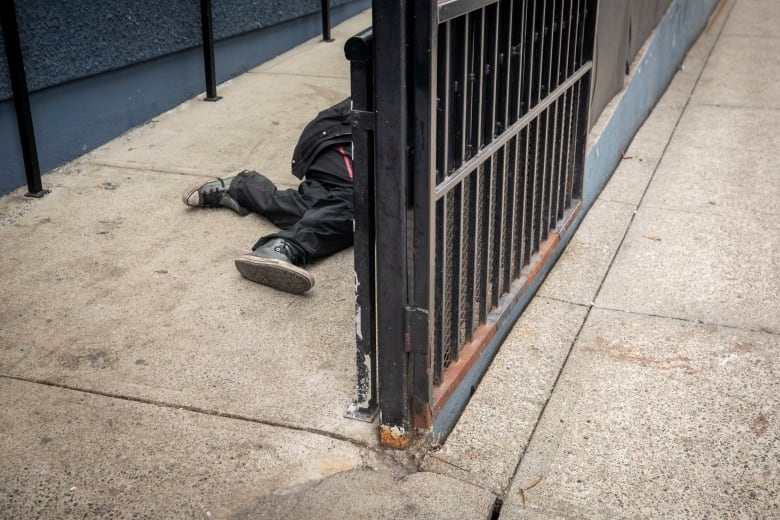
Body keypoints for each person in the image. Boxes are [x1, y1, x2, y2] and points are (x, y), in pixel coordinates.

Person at [181, 98, 353, 294]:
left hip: (354, 146)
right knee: (361, 203)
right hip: (340, 137)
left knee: (329, 212)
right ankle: (284, 248)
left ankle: (241, 188)